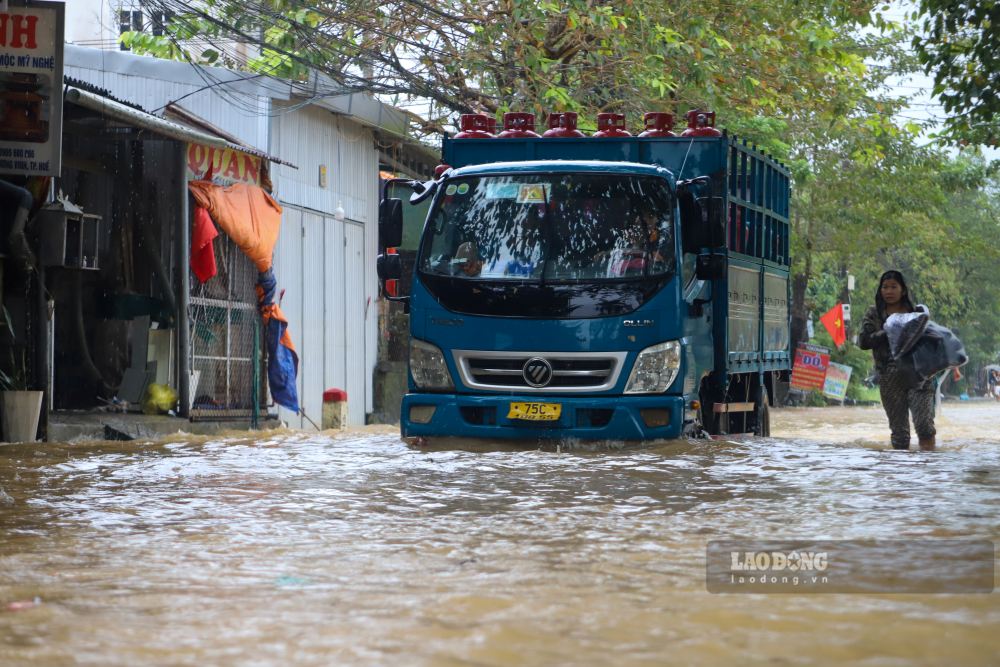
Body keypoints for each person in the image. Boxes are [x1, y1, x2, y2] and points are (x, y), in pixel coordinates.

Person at [858, 270, 936, 451]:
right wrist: (888, 331)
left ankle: (931, 469)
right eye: (885, 287)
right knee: (900, 435)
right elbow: (863, 341)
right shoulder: (874, 313)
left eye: (894, 287)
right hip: (889, 375)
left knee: (924, 426)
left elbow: (929, 340)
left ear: (902, 290)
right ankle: (900, 475)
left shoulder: (916, 313)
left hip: (918, 375)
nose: (889, 291)